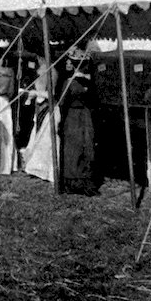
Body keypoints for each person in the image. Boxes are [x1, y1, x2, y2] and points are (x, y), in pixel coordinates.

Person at [59, 47, 99, 195]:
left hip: (73, 117)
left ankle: (73, 183)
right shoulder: (89, 81)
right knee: (86, 147)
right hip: (85, 116)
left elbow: (62, 103)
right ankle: (84, 183)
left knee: (73, 149)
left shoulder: (70, 82)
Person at [22, 56, 60, 182]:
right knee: (37, 137)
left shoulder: (51, 72)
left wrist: (36, 93)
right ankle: (35, 168)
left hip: (48, 109)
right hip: (40, 107)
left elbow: (52, 94)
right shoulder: (41, 70)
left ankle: (45, 170)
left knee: (46, 139)